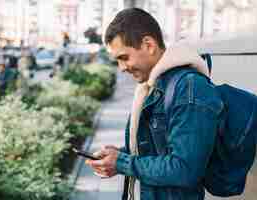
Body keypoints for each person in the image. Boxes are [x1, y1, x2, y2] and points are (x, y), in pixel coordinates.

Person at [86, 8, 224, 200]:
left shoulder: (189, 89)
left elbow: (184, 169)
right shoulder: (152, 85)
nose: (122, 68)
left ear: (149, 45)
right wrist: (120, 155)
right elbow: (158, 149)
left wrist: (123, 163)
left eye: (124, 57)